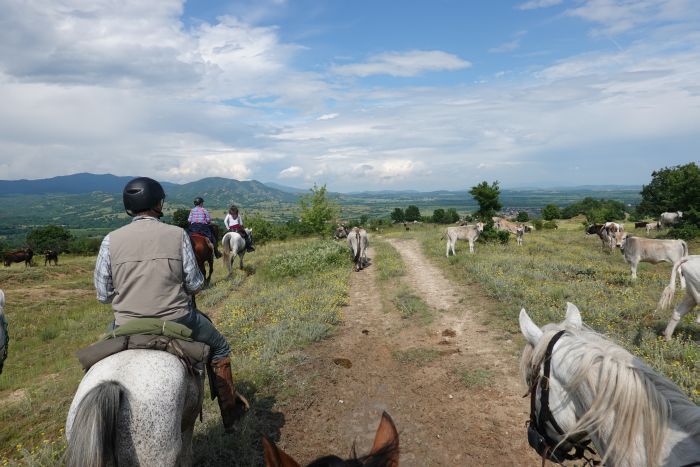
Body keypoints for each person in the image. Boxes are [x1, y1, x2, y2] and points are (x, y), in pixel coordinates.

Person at [94, 177, 248, 433]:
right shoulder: (178, 235)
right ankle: (230, 415)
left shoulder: (110, 240)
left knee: (98, 360)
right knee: (220, 346)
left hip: (125, 323)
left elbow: (103, 294)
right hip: (178, 319)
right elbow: (196, 283)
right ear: (157, 203)